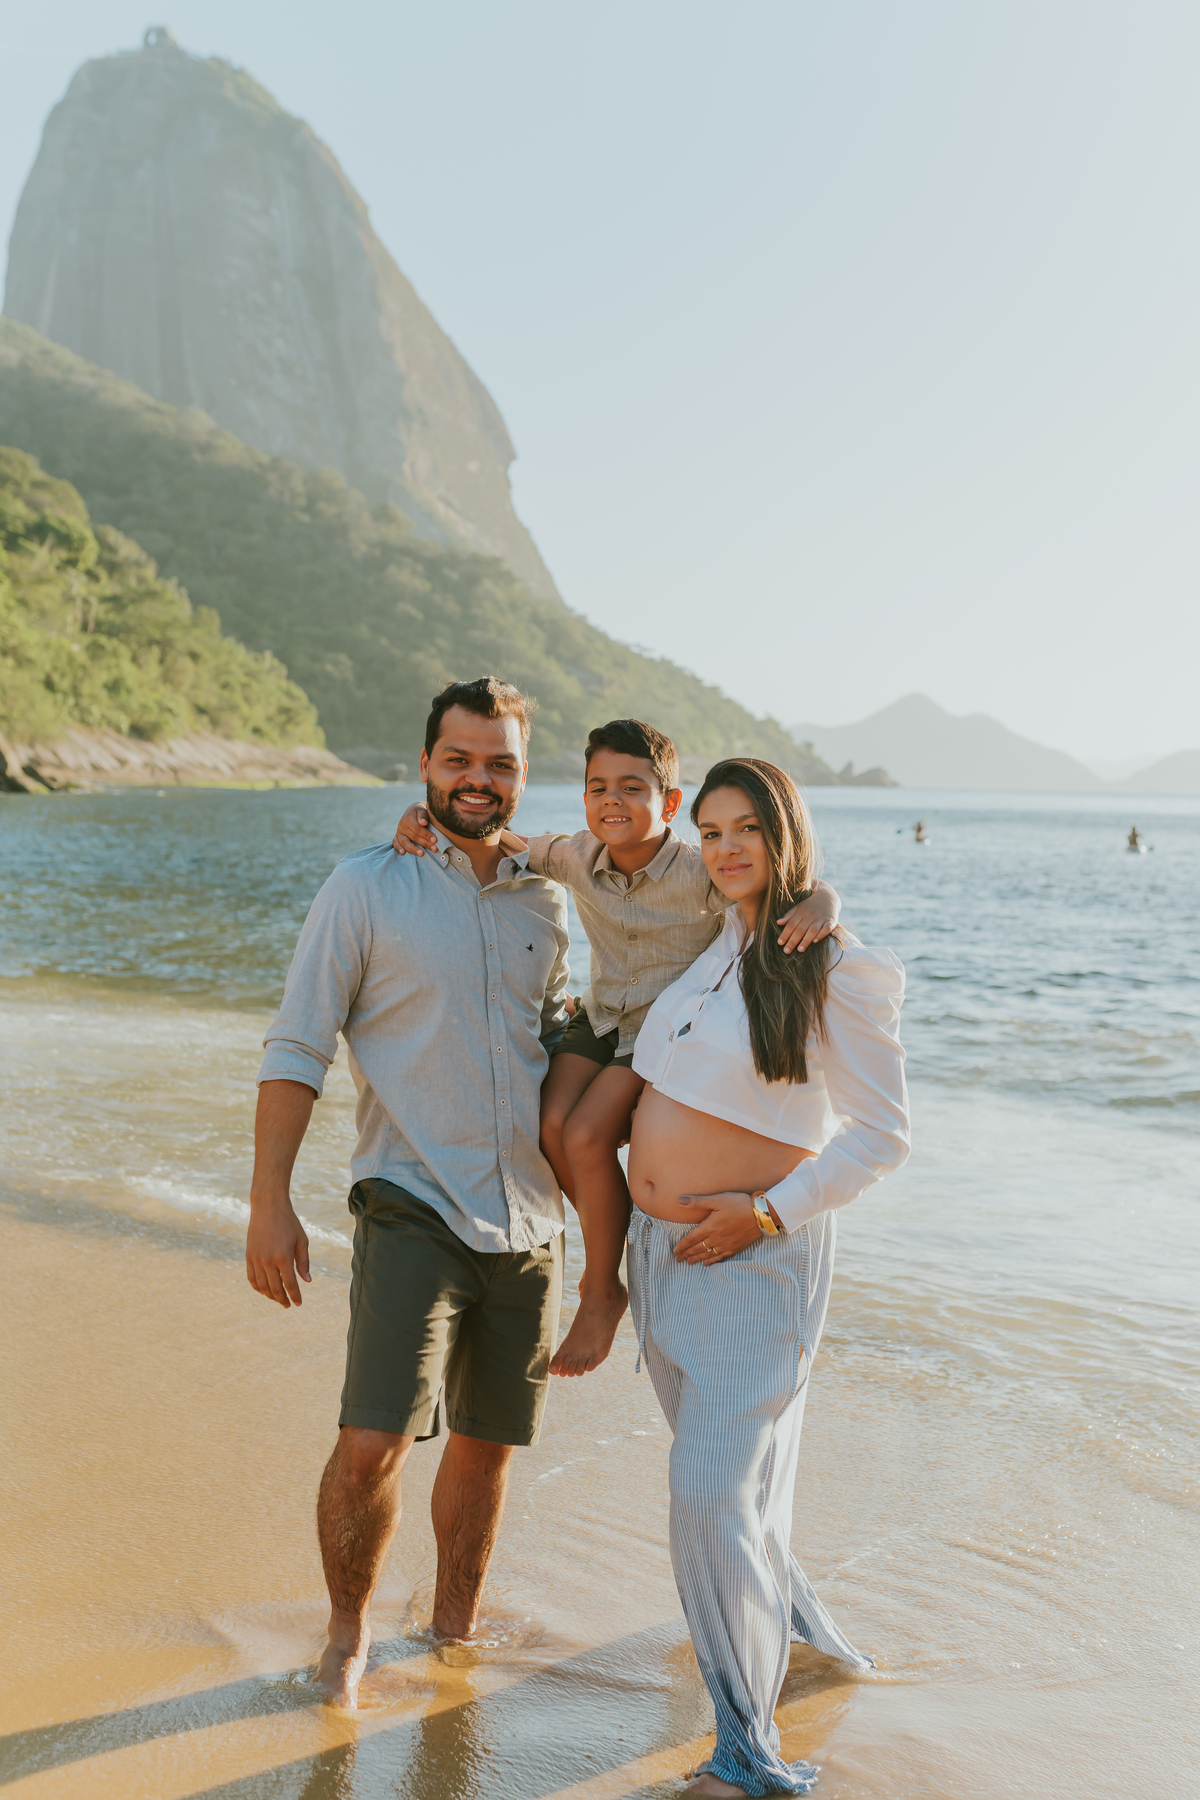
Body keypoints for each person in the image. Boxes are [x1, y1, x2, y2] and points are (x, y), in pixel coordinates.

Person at [244, 676, 571, 1709]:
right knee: (376, 1434)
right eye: (460, 760)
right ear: (426, 765)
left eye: (501, 762)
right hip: (410, 1197)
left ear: (523, 774)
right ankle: (347, 1638)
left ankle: (454, 1626)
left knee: (486, 1445)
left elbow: (588, 1020)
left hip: (531, 1215)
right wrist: (270, 1199)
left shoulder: (550, 899)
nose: (480, 779)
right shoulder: (367, 884)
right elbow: (299, 1042)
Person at [391, 718, 841, 1377]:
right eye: (597, 787)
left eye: (632, 787)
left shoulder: (700, 870)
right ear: (582, 800)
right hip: (598, 1017)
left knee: (584, 1136)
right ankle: (617, 1242)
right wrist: (417, 817)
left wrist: (825, 900)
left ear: (668, 803)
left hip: (657, 1037)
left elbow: (782, 885)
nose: (612, 801)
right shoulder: (576, 855)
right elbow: (498, 837)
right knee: (547, 1123)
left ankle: (602, 1287)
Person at [625, 757, 910, 1797]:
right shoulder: (711, 944)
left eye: (748, 827)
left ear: (787, 833)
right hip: (661, 1260)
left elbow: (884, 1136)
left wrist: (767, 1213)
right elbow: (596, 853)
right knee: (732, 1495)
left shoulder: (831, 963)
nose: (727, 846)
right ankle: (811, 1643)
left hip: (752, 1262)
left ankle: (748, 1756)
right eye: (711, 830)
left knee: (707, 1492)